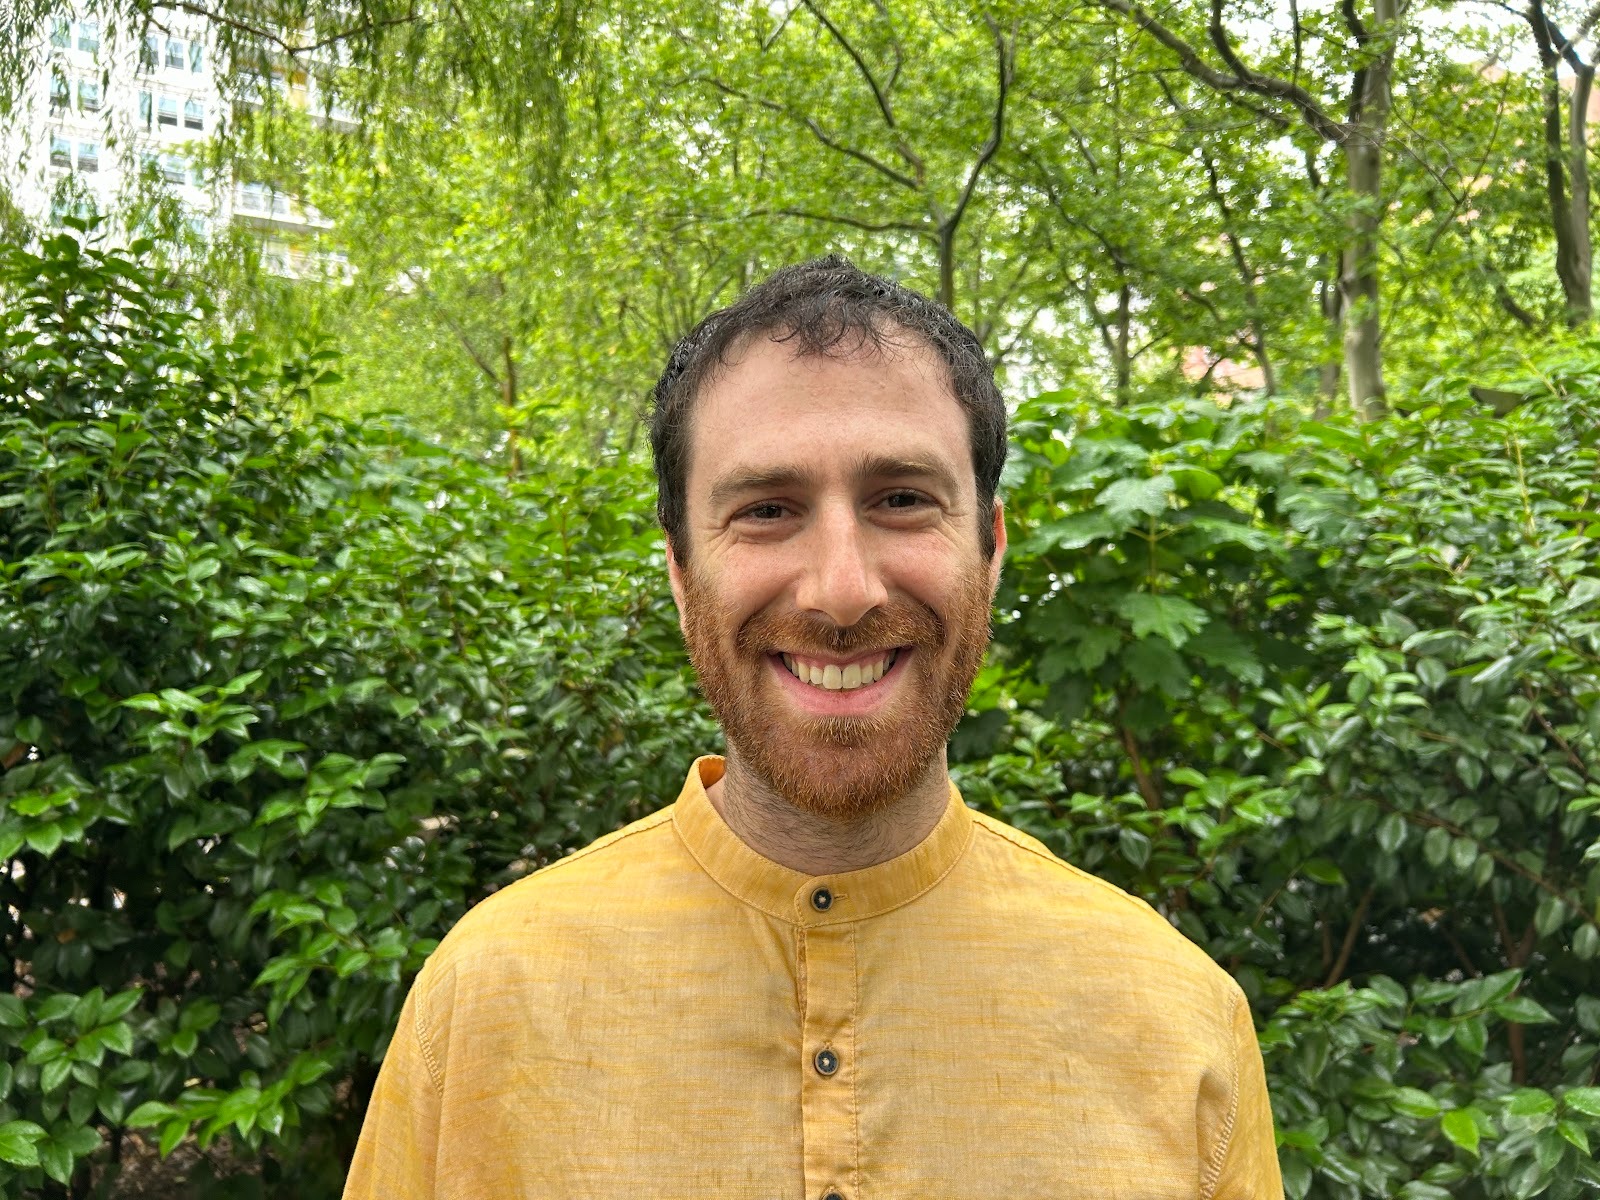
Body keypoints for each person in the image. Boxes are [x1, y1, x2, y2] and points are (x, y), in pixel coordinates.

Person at [343, 257, 1283, 1199]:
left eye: (902, 500)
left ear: (991, 549)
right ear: (680, 572)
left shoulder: (1180, 1022)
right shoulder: (483, 1005)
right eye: (766, 511)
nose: (842, 590)